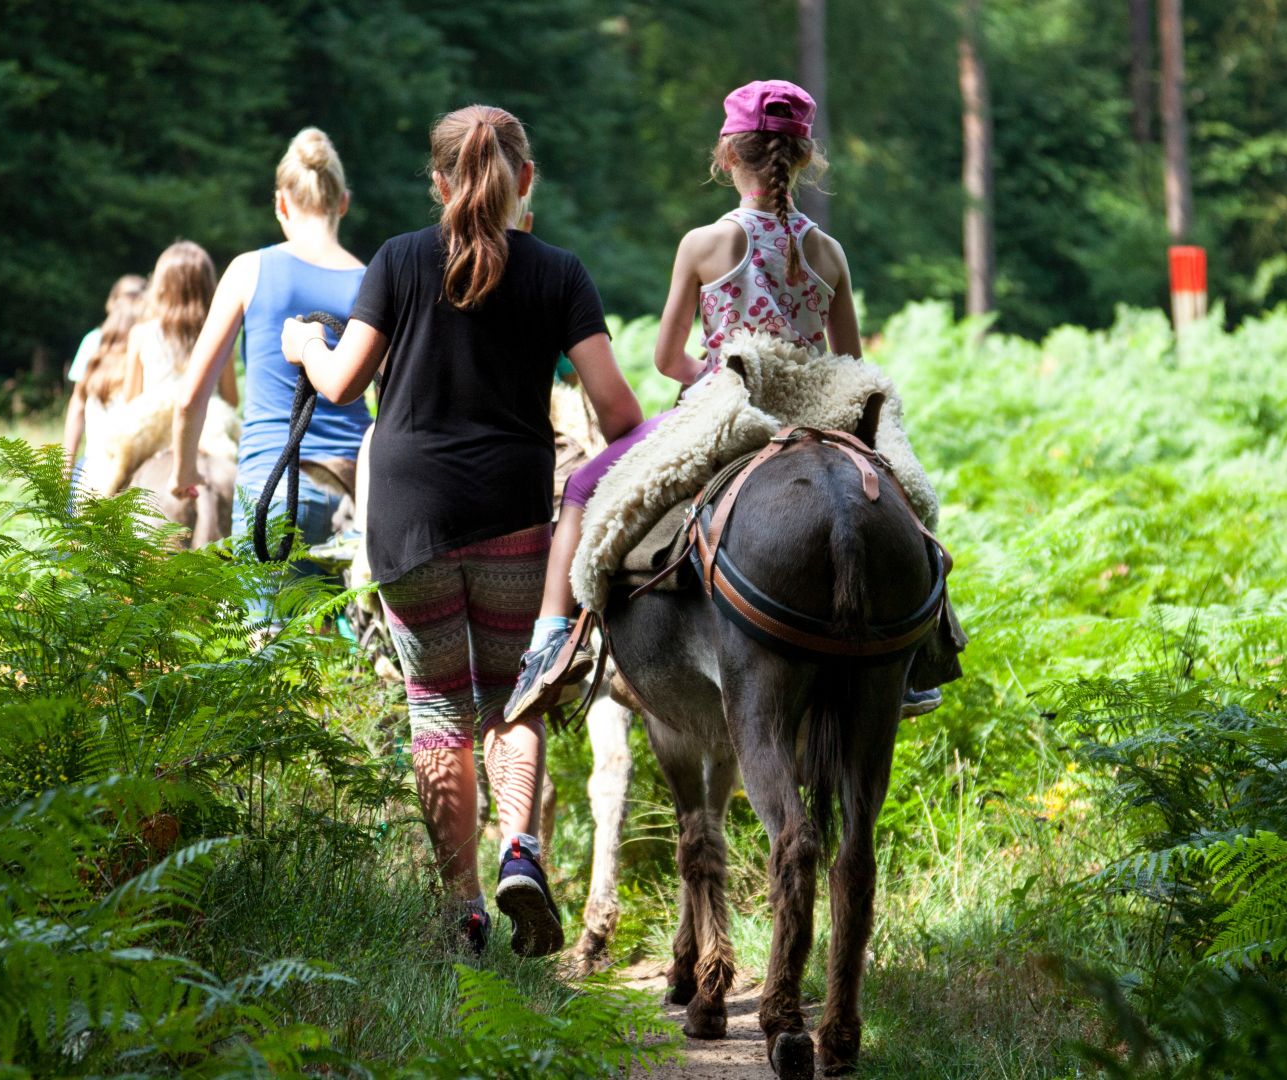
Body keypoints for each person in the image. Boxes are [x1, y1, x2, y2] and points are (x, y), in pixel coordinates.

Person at [281, 105, 641, 956]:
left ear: (440, 182)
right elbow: (619, 411)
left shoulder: (400, 260)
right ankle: (523, 851)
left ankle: (465, 908)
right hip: (513, 510)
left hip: (407, 516)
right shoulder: (560, 274)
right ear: (526, 183)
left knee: (437, 706)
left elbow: (339, 385)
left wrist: (303, 345)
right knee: (515, 696)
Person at [506, 79, 948, 723]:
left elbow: (665, 358)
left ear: (727, 156)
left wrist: (707, 375)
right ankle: (918, 655)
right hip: (816, 414)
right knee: (906, 499)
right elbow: (848, 362)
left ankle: (553, 641)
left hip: (728, 411)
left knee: (586, 492)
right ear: (802, 159)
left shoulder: (705, 245)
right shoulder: (829, 252)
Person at [169, 128, 371, 578]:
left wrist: (183, 473)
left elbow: (190, 396)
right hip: (356, 498)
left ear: (281, 203)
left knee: (267, 643)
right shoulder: (373, 283)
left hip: (273, 487)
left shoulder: (248, 270)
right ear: (343, 203)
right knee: (352, 647)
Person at [60, 290, 145, 486]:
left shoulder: (95, 358)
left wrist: (66, 467)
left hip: (89, 472)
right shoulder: (142, 363)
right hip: (128, 476)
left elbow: (76, 408)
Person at [67, 274, 147, 383]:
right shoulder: (94, 339)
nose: (130, 306)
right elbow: (78, 394)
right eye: (128, 298)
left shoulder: (151, 338)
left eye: (137, 299)